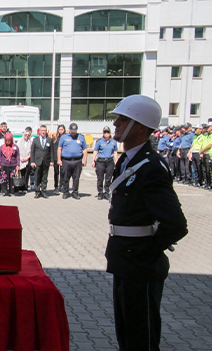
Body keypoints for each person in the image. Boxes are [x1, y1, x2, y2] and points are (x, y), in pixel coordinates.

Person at [106, 94, 188, 351]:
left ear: (141, 126)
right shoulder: (127, 161)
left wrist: (147, 252)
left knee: (142, 337)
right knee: (127, 334)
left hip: (140, 263)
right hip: (123, 258)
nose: (116, 124)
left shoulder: (151, 166)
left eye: (123, 119)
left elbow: (176, 224)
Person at [57, 123, 87, 199]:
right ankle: (66, 192)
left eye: (75, 130)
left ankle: (75, 192)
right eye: (72, 130)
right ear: (69, 129)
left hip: (77, 161)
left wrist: (85, 160)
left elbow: (85, 149)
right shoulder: (64, 137)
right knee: (66, 178)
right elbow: (59, 149)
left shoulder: (81, 137)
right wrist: (59, 159)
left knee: (76, 178)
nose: (73, 132)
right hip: (66, 160)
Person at [92, 126, 119, 200]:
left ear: (110, 133)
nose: (106, 134)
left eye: (108, 132)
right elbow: (95, 151)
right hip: (101, 161)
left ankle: (106, 192)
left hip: (110, 161)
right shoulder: (99, 142)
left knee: (108, 178)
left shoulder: (113, 142)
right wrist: (93, 160)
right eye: (105, 132)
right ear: (103, 133)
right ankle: (100, 193)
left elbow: (115, 152)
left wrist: (116, 162)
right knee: (100, 178)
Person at [30, 125, 53, 199]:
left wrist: (52, 161)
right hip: (37, 161)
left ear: (46, 131)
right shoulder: (35, 140)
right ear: (39, 131)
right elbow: (32, 152)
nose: (43, 132)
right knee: (37, 177)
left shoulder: (49, 140)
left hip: (46, 161)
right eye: (42, 130)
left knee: (44, 178)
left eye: (44, 130)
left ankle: (43, 191)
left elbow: (52, 151)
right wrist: (32, 161)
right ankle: (37, 191)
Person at [16, 127, 34, 194]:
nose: (27, 136)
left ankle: (25, 188)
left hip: (27, 160)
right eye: (26, 135)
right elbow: (17, 150)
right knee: (21, 174)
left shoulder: (31, 142)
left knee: (26, 175)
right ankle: (20, 188)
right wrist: (20, 157)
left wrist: (27, 157)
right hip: (20, 160)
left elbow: (32, 152)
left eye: (28, 135)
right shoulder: (19, 141)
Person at [51, 124, 66, 194]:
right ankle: (56, 186)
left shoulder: (66, 138)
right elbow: (53, 149)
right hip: (56, 158)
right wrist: (52, 159)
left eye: (62, 129)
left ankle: (61, 186)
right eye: (59, 129)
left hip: (63, 158)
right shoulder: (55, 138)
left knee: (63, 172)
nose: (61, 131)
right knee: (56, 173)